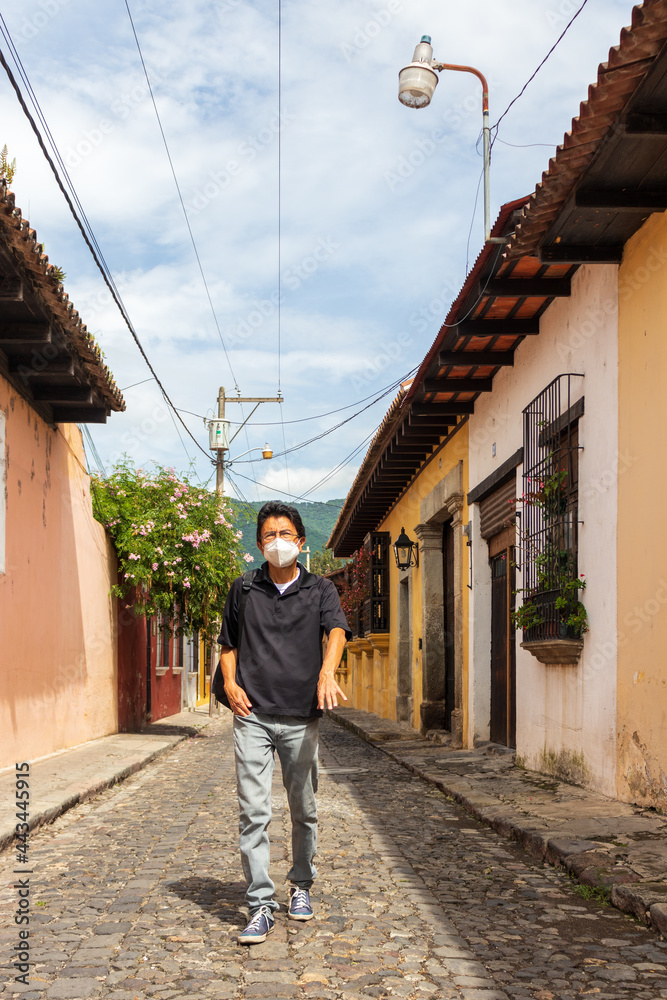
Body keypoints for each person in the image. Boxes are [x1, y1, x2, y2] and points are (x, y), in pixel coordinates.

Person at [218, 500, 350, 945]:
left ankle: (301, 884)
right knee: (254, 811)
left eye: (285, 534)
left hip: (300, 715)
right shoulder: (244, 588)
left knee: (303, 808)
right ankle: (260, 904)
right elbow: (228, 644)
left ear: (301, 541)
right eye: (269, 535)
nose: (278, 542)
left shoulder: (320, 589)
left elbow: (336, 631)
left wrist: (327, 672)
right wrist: (230, 684)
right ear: (260, 545)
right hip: (252, 715)